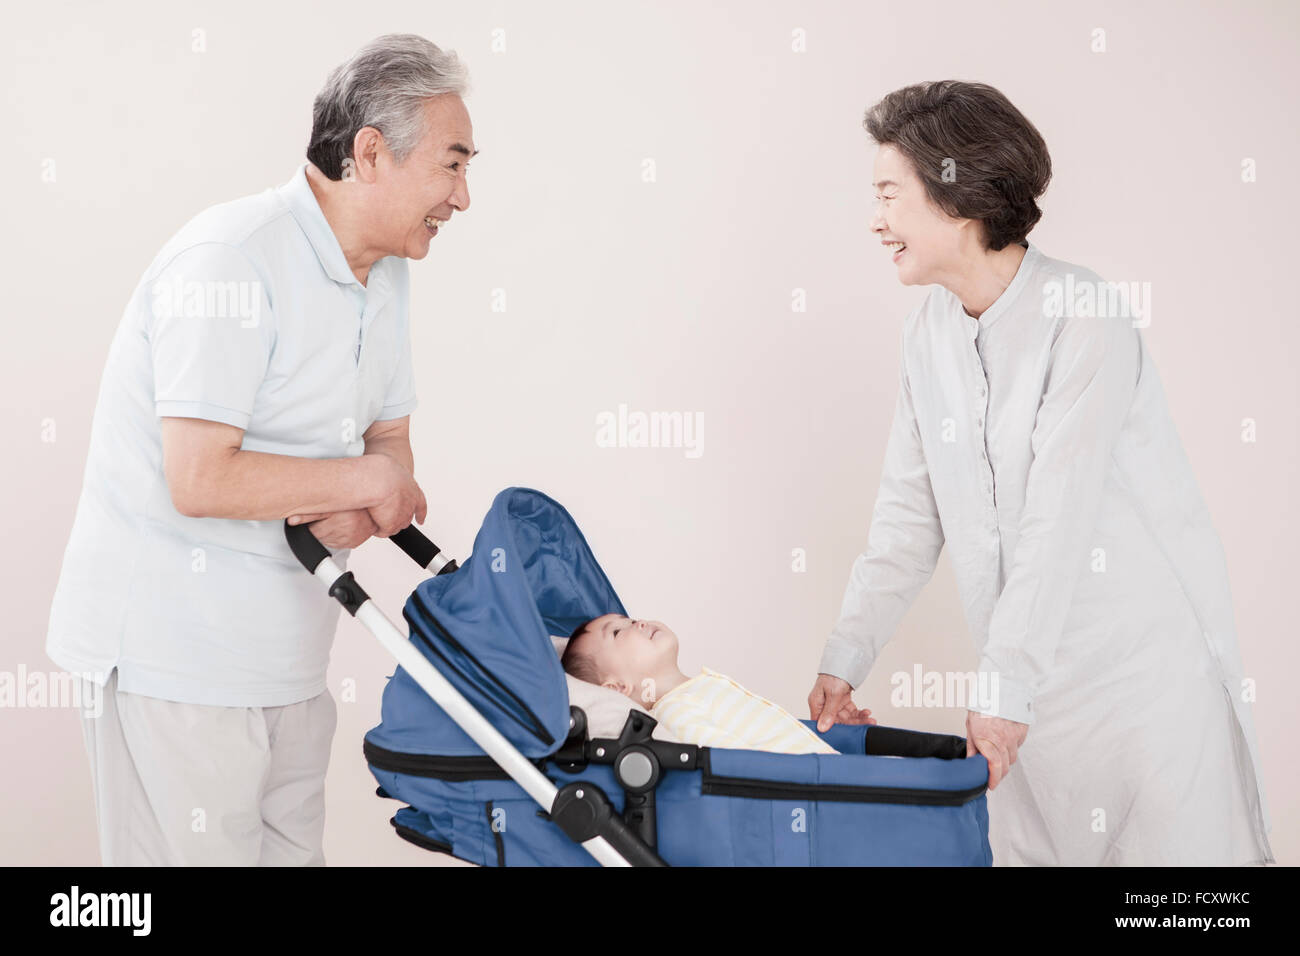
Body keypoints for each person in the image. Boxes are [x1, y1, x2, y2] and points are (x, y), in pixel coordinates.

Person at [806, 80, 1273, 865]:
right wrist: (842, 660)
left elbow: (1061, 523)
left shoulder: (1083, 315)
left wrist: (1002, 693)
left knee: (1182, 908)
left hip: (1139, 691)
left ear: (956, 196)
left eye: (889, 194)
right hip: (1025, 707)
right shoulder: (929, 336)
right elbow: (906, 523)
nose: (875, 219)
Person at [45, 34, 474, 865]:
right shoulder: (232, 259)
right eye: (452, 165)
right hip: (173, 662)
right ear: (371, 154)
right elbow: (199, 478)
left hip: (291, 655)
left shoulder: (384, 275)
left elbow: (388, 435)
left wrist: (378, 487)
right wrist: (363, 480)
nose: (463, 196)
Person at [563, 613, 872, 754]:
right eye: (617, 632)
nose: (638, 621)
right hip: (820, 792)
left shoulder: (698, 689)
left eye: (628, 620)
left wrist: (833, 741)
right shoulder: (675, 714)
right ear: (616, 688)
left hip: (832, 779)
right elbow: (733, 766)